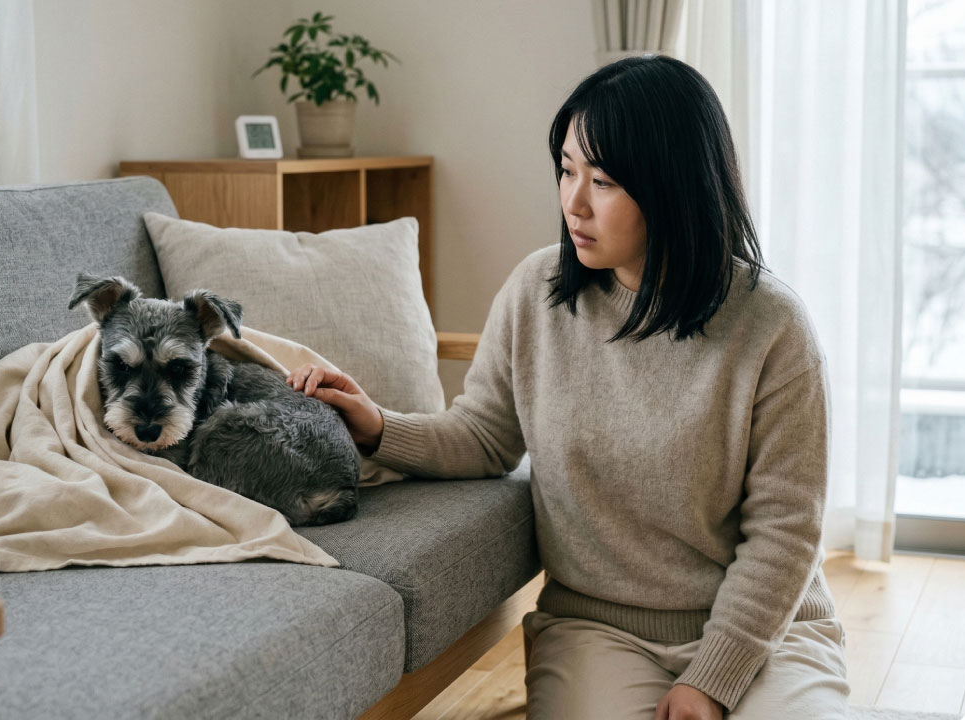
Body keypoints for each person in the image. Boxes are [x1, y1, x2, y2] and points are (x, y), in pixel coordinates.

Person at [285, 54, 849, 720]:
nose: (573, 203)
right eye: (566, 170)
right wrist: (378, 426)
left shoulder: (772, 327)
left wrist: (712, 679)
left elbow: (786, 533)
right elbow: (484, 437)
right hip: (599, 630)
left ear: (675, 187)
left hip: (766, 631)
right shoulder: (536, 294)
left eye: (603, 181)